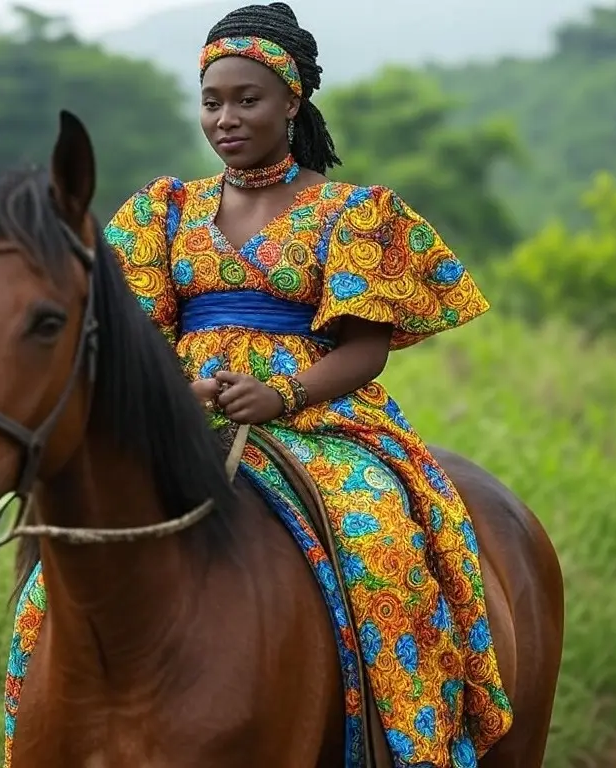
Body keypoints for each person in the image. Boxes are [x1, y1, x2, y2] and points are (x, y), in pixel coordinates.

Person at [103, 3, 512, 765]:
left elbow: (367, 348)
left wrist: (283, 397)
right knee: (68, 564)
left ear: (292, 101)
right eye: (212, 101)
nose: (226, 118)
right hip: (188, 415)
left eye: (247, 99)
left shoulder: (352, 213)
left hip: (322, 419)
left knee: (380, 536)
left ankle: (412, 742)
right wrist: (180, 393)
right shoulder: (160, 213)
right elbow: (140, 341)